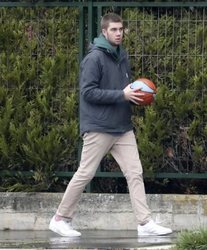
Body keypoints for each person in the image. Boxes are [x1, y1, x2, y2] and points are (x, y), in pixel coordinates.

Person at [49, 12, 173, 237]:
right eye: (113, 30)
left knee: (135, 173)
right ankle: (59, 219)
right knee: (85, 174)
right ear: (104, 32)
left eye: (121, 29)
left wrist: (139, 96)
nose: (118, 33)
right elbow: (88, 93)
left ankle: (144, 223)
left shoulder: (122, 56)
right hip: (98, 127)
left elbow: (126, 90)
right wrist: (121, 95)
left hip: (122, 128)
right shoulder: (93, 59)